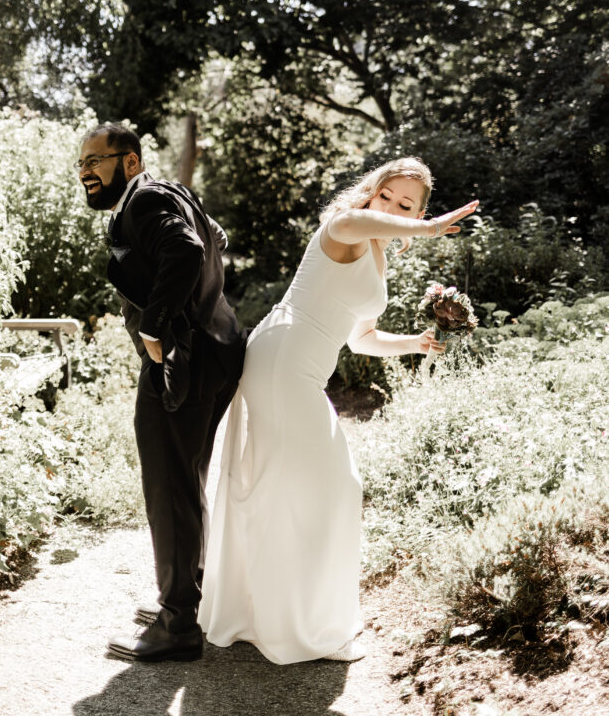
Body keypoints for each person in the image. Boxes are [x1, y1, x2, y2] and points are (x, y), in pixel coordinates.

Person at [198, 157, 478, 664]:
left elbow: (362, 338)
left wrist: (413, 342)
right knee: (325, 484)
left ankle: (279, 614)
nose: (392, 206)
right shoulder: (344, 225)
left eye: (407, 204)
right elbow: (353, 221)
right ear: (372, 192)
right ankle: (289, 624)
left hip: (299, 367)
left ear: (417, 208)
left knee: (303, 487)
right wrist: (429, 227)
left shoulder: (376, 252)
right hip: (283, 360)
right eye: (386, 196)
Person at [77, 124, 246, 662]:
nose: (84, 171)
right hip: (216, 350)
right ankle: (186, 602)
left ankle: (177, 625)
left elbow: (188, 248)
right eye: (80, 163)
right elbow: (216, 238)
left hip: (183, 360)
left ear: (129, 162)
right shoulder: (172, 191)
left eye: (95, 160)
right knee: (186, 475)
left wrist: (155, 329)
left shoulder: (145, 200)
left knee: (168, 484)